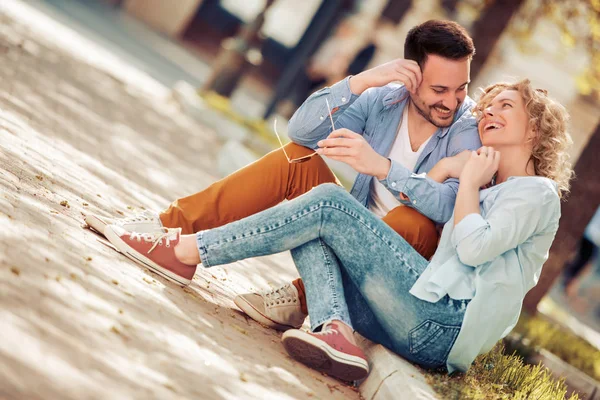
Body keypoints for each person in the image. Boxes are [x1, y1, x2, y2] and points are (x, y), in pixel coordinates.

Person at [102, 79, 573, 380]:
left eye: (505, 106)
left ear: (535, 128)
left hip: (440, 326)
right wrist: (449, 169)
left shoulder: (536, 194)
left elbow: (472, 250)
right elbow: (428, 214)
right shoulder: (488, 186)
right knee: (317, 203)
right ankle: (333, 328)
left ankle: (185, 251)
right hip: (412, 315)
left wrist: (466, 180)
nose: (487, 112)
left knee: (328, 204)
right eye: (487, 105)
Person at [85, 20, 480, 324]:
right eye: (439, 90)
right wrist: (360, 82)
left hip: (399, 262)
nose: (452, 101)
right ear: (411, 77)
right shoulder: (383, 99)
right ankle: (169, 226)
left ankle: (300, 298)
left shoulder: (468, 128)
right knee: (294, 158)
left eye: (460, 88)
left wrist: (384, 168)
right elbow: (302, 131)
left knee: (418, 219)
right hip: (345, 221)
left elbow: (449, 208)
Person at [562, 206, 600, 293]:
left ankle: (568, 280)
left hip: (590, 234)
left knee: (582, 260)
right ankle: (568, 280)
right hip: (591, 236)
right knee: (583, 260)